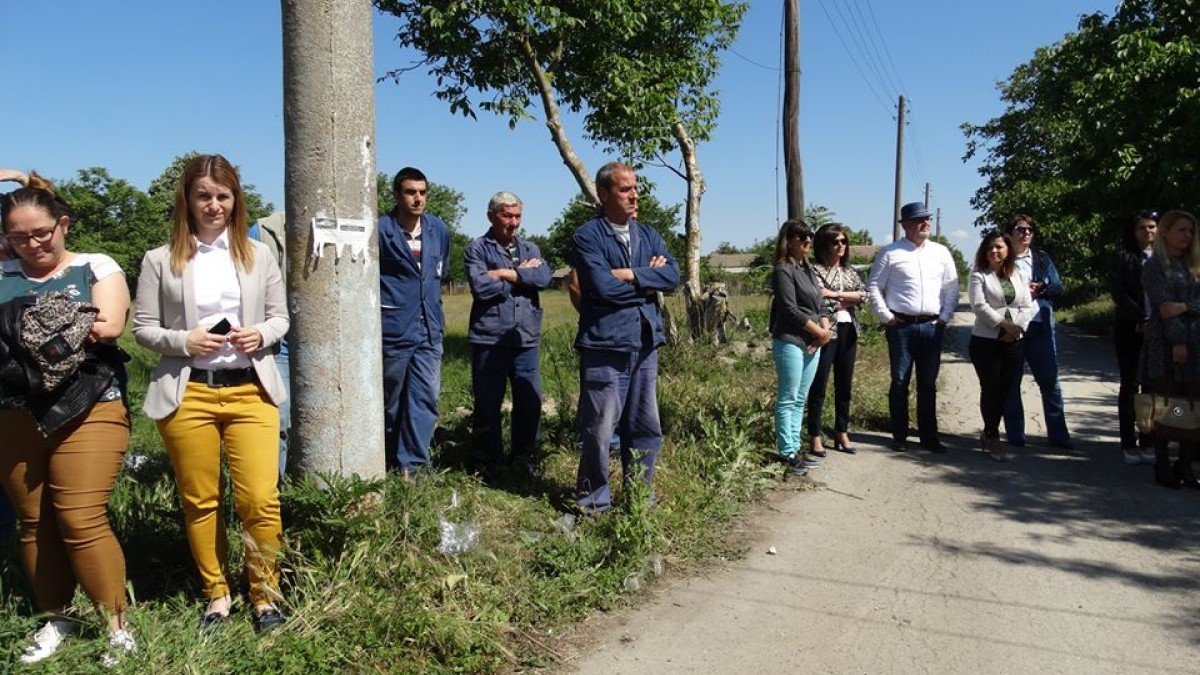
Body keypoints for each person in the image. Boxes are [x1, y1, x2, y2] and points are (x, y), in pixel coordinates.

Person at [133, 154, 290, 632]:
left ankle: (264, 596)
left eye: (223, 196)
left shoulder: (257, 254)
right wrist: (185, 341)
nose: (214, 205)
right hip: (190, 393)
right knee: (201, 500)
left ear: (235, 200)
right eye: (204, 195)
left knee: (261, 499)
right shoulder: (160, 260)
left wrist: (259, 335)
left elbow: (280, 317)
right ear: (187, 199)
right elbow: (142, 328)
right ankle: (216, 594)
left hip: (249, 391)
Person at [0, 172, 136, 664]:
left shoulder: (95, 265)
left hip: (88, 405)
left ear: (63, 224)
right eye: (18, 236)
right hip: (13, 411)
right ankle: (56, 618)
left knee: (80, 517)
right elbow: (83, 325)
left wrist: (18, 326)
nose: (33, 244)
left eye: (42, 232)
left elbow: (109, 324)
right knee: (34, 523)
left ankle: (117, 627)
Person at [572, 162, 680, 513]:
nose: (634, 195)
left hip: (645, 340)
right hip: (606, 343)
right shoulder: (588, 235)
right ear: (604, 194)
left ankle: (638, 497)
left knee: (645, 425)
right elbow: (600, 287)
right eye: (625, 189)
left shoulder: (648, 234)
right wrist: (648, 280)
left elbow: (673, 276)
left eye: (636, 188)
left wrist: (630, 275)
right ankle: (593, 502)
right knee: (600, 430)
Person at [464, 192, 552, 482]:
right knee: (488, 403)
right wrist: (519, 276)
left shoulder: (530, 248)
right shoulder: (477, 249)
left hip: (525, 338)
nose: (513, 223)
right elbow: (481, 287)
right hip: (490, 339)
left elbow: (543, 278)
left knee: (529, 402)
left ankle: (525, 459)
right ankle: (487, 463)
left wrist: (502, 274)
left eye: (517, 216)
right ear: (491, 216)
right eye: (507, 216)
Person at [866, 201, 959, 452]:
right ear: (905, 224)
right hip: (901, 327)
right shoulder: (890, 253)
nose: (925, 223)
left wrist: (945, 316)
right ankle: (899, 435)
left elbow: (951, 287)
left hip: (931, 326)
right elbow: (874, 285)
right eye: (919, 220)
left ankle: (929, 437)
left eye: (926, 218)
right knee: (899, 381)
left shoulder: (941, 253)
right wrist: (886, 316)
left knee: (928, 383)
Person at [378, 167, 449, 476]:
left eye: (422, 192)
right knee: (391, 401)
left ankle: (414, 468)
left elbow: (438, 273)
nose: (417, 198)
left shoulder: (438, 229)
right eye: (410, 192)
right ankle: (388, 459)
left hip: (429, 329)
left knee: (425, 399)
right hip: (394, 327)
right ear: (397, 195)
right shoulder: (381, 229)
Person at [1138, 210, 1200, 489]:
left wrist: (1185, 306)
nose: (1187, 235)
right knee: (1167, 402)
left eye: (1190, 231)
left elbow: (1186, 306)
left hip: (1196, 342)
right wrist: (1177, 342)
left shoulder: (1195, 264)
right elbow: (1164, 308)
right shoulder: (1155, 266)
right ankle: (1162, 460)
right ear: (1165, 232)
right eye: (1181, 230)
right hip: (1166, 343)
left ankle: (1185, 464)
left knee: (1193, 403)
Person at [1001, 215, 1073, 449]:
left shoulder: (1042, 259)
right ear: (1011, 233)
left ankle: (1059, 437)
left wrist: (1041, 287)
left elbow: (1058, 287)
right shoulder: (1001, 258)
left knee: (1050, 382)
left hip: (1040, 326)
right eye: (1021, 229)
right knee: (1011, 383)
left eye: (1030, 229)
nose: (1026, 234)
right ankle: (1016, 436)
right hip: (1012, 328)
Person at [770, 220, 832, 474]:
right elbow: (789, 309)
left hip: (813, 342)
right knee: (788, 396)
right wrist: (819, 331)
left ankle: (795, 447)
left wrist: (825, 331)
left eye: (810, 236)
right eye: (802, 236)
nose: (807, 240)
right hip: (791, 341)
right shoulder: (783, 269)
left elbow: (821, 304)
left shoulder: (808, 269)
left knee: (800, 399)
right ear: (789, 240)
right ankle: (786, 451)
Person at [968, 230, 1034, 462]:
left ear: (1008, 250)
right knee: (991, 388)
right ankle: (992, 435)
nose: (994, 251)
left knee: (1006, 390)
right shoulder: (979, 274)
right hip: (986, 341)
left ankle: (990, 432)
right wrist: (1004, 326)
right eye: (990, 248)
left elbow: (1027, 304)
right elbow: (979, 306)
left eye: (999, 247)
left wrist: (1017, 328)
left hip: (1014, 340)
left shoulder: (1017, 274)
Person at [806, 222, 866, 456]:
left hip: (849, 331)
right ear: (824, 244)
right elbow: (819, 298)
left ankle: (842, 431)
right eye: (835, 241)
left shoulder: (850, 271)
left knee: (844, 385)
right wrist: (849, 299)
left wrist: (838, 295)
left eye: (843, 241)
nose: (841, 245)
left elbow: (865, 295)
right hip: (826, 332)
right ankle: (815, 435)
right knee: (819, 386)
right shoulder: (814, 270)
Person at [1109, 210, 1158, 465]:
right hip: (1130, 326)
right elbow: (1118, 292)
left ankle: (1148, 439)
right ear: (1133, 231)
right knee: (1129, 384)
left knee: (1152, 386)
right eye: (1142, 227)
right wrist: (1142, 317)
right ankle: (1128, 442)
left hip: (1160, 329)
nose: (1148, 231)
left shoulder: (1166, 258)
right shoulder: (1123, 256)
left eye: (1152, 226)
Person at [249, 213, 291, 478]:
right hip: (280, 345)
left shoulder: (350, 222)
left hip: (339, 346)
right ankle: (278, 492)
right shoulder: (264, 231)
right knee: (281, 419)